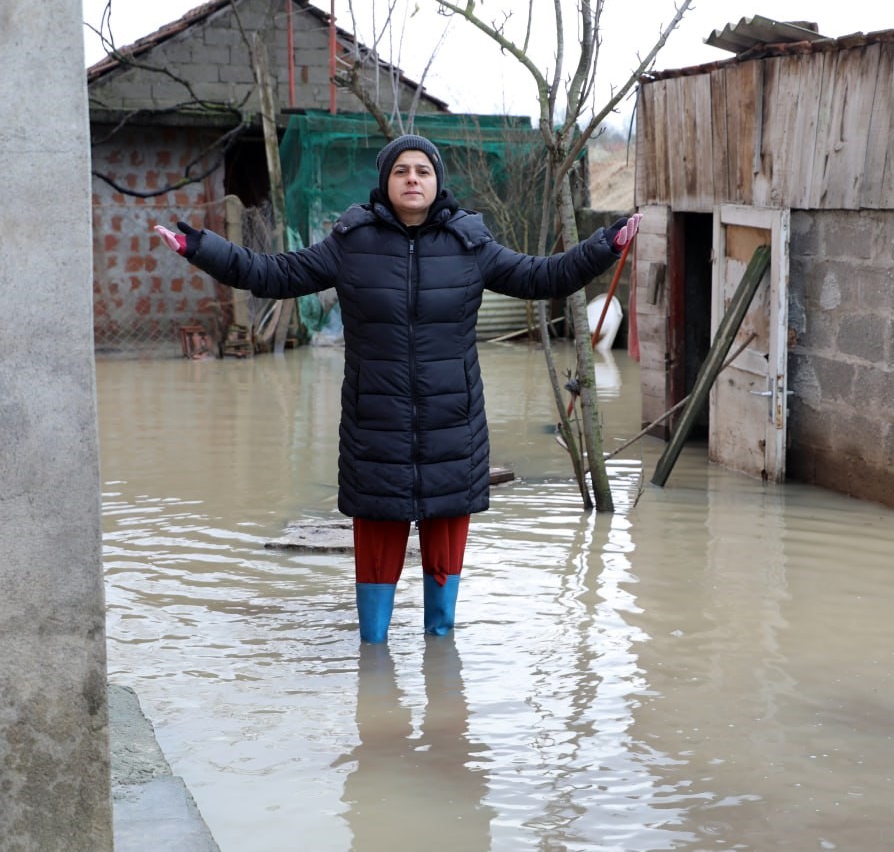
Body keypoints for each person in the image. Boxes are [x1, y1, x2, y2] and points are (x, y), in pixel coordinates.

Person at [156, 134, 640, 644]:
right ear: (385, 183)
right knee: (375, 611)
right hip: (376, 432)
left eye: (423, 171)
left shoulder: (470, 244)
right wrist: (200, 248)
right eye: (402, 171)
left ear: (437, 183)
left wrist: (605, 245)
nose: (413, 178)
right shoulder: (351, 242)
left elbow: (546, 277)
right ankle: (374, 670)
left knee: (442, 607)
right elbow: (272, 273)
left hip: (453, 431)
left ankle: (441, 674)